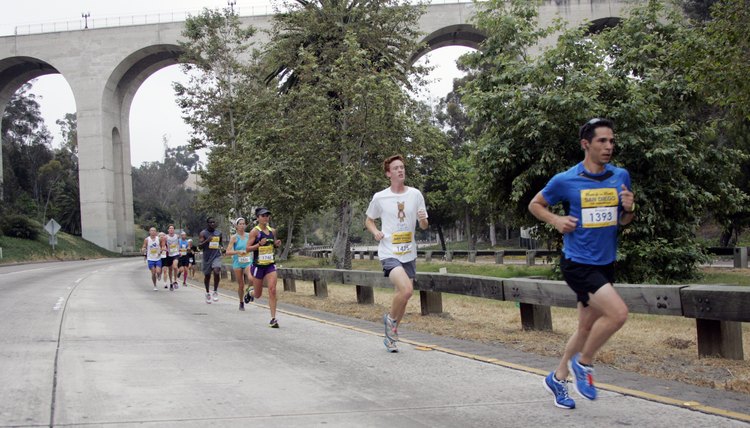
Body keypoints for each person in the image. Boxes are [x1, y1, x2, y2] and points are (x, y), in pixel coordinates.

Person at [528, 118, 634, 409]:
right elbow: (535, 204)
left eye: (611, 141)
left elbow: (623, 220)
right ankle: (583, 364)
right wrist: (556, 220)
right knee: (618, 314)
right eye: (602, 141)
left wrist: (628, 210)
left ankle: (557, 378)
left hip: (605, 262)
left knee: (586, 327)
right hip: (578, 263)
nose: (609, 147)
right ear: (586, 144)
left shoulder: (620, 176)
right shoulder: (566, 179)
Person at [365, 154, 429, 353]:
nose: (400, 170)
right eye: (396, 168)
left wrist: (422, 220)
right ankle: (390, 321)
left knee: (403, 296)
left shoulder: (416, 195)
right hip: (389, 252)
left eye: (402, 167)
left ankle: (391, 336)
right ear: (388, 173)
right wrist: (376, 232)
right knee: (407, 290)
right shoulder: (380, 197)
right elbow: (369, 220)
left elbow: (425, 225)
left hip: (409, 252)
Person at [245, 208, 282, 327]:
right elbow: (247, 248)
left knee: (272, 290)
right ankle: (250, 293)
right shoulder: (254, 232)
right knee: (258, 294)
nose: (266, 217)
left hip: (270, 264)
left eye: (267, 215)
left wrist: (276, 245)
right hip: (258, 266)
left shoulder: (273, 231)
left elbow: (272, 245)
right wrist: (258, 244)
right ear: (258, 218)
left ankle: (273, 318)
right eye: (263, 215)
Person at [226, 217, 254, 311]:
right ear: (236, 226)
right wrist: (237, 252)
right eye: (240, 224)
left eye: (243, 224)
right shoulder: (234, 238)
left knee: (251, 278)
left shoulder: (249, 235)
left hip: (247, 261)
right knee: (241, 284)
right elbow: (228, 252)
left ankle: (249, 292)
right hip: (238, 262)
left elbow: (253, 246)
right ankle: (241, 302)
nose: (242, 226)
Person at [198, 217, 224, 304]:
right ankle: (207, 292)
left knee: (217, 271)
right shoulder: (203, 233)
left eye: (214, 222)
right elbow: (200, 246)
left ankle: (215, 291)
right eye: (210, 222)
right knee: (207, 276)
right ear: (207, 223)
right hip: (207, 257)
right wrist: (207, 241)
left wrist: (222, 249)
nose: (212, 224)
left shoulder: (218, 233)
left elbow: (220, 244)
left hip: (216, 255)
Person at [163, 224, 181, 290]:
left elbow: (179, 243)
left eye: (172, 228)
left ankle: (175, 281)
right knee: (170, 270)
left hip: (176, 254)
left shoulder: (177, 236)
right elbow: (163, 245)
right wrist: (164, 248)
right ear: (168, 230)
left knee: (175, 266)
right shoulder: (165, 237)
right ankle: (171, 283)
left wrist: (179, 250)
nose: (171, 229)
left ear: (174, 230)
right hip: (169, 255)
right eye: (170, 228)